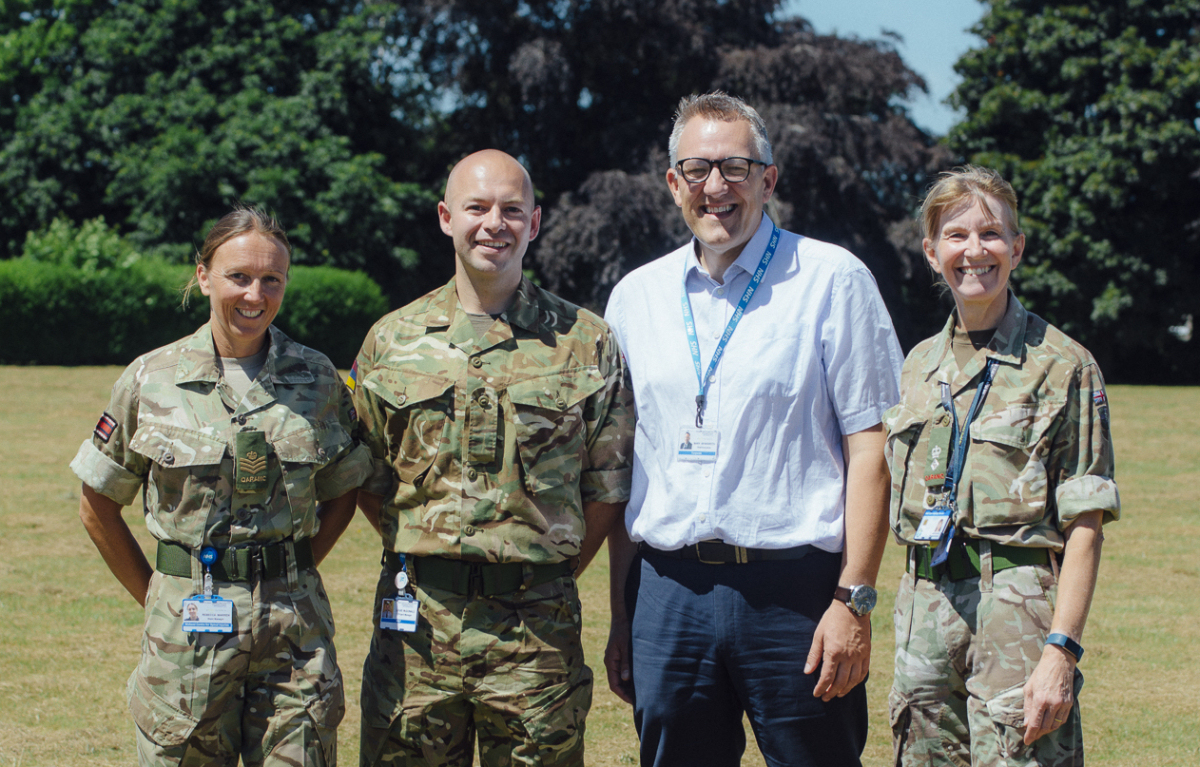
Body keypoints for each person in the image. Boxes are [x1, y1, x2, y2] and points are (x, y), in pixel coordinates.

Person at [603, 92, 904, 767]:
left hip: (797, 595)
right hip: (669, 593)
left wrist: (853, 599)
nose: (717, 187)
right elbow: (622, 469)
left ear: (769, 179)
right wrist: (624, 612)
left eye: (736, 166)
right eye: (698, 168)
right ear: (673, 183)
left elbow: (872, 449)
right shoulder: (634, 299)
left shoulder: (832, 281)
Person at [352, 149, 634, 766]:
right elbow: (368, 479)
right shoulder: (391, 341)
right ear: (446, 217)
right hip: (417, 627)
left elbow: (607, 488)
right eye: (476, 208)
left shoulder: (585, 343)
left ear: (534, 223)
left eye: (511, 209)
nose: (493, 224)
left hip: (537, 629)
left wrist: (540, 565)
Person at [70, 207, 371, 766]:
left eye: (271, 279)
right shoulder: (150, 379)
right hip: (184, 639)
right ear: (204, 275)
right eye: (239, 276)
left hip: (294, 639)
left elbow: (345, 488)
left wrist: (292, 569)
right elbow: (97, 502)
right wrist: (160, 595)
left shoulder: (318, 378)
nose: (255, 294)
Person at [884, 165, 1120, 765]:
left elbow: (1085, 525)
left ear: (1016, 248)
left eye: (991, 235)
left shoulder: (1065, 366)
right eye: (956, 235)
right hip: (924, 605)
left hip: (1018, 606)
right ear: (932, 252)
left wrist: (1060, 650)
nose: (974, 251)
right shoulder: (916, 367)